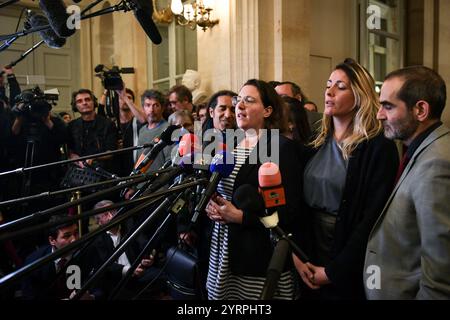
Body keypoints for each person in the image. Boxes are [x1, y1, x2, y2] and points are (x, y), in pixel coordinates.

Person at [293, 58, 399, 300]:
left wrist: (334, 271)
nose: (329, 91)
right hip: (307, 250)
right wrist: (297, 255)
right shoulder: (316, 141)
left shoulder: (378, 147)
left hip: (347, 257)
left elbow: (372, 218)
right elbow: (299, 204)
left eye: (340, 87)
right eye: (329, 84)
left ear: (359, 95)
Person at [205, 79, 302, 300]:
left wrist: (242, 218)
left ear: (267, 111)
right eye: (239, 100)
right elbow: (218, 188)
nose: (238, 106)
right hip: (222, 248)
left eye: (249, 101)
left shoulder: (280, 148)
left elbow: (286, 216)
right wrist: (211, 206)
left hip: (257, 254)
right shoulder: (228, 144)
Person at [364, 66, 450, 300]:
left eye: (388, 106)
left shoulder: (438, 164)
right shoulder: (421, 149)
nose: (380, 114)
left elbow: (440, 275)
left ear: (420, 109)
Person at [21, 215, 96, 300]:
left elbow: (99, 287)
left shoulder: (87, 252)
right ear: (52, 240)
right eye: (67, 236)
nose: (74, 240)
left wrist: (91, 297)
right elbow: (30, 296)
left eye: (75, 233)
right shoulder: (35, 262)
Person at [67, 89, 118, 173]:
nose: (84, 103)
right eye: (79, 101)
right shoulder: (71, 126)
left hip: (104, 171)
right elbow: (70, 150)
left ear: (94, 102)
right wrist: (73, 156)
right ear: (75, 106)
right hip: (79, 171)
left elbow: (111, 151)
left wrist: (94, 157)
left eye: (87, 99)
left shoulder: (108, 124)